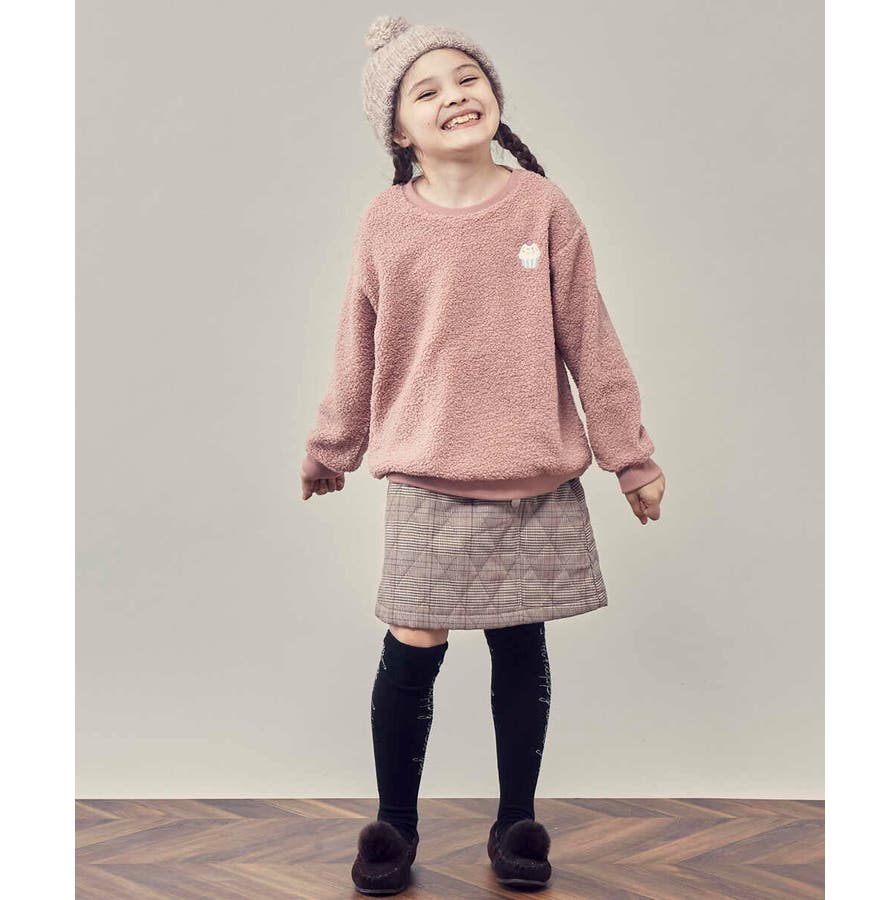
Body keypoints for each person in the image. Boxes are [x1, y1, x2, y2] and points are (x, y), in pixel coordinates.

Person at [299, 15, 666, 895]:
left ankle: (516, 824)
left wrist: (631, 458)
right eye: (426, 91)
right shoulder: (386, 222)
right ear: (398, 130)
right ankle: (394, 826)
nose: (455, 96)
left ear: (494, 94)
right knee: (413, 644)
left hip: (531, 476)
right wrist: (332, 446)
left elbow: (591, 339)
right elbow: (357, 342)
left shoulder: (544, 206)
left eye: (467, 77)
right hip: (428, 472)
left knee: (519, 643)